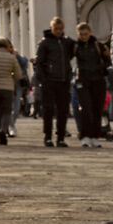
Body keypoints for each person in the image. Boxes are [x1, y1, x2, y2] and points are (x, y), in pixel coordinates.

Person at [34, 16, 75, 148]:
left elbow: (75, 50)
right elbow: (38, 63)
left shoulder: (66, 42)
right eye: (56, 28)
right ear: (51, 28)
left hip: (63, 81)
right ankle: (47, 137)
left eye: (60, 29)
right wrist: (43, 79)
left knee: (63, 110)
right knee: (48, 110)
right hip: (49, 81)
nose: (58, 31)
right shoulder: (45, 43)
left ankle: (61, 137)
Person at [72, 20, 112, 148]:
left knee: (97, 109)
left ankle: (94, 136)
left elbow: (107, 61)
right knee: (86, 108)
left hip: (97, 79)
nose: (84, 37)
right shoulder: (75, 46)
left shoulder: (98, 46)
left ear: (90, 33)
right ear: (78, 34)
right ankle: (85, 135)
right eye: (81, 34)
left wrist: (106, 57)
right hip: (82, 80)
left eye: (85, 34)